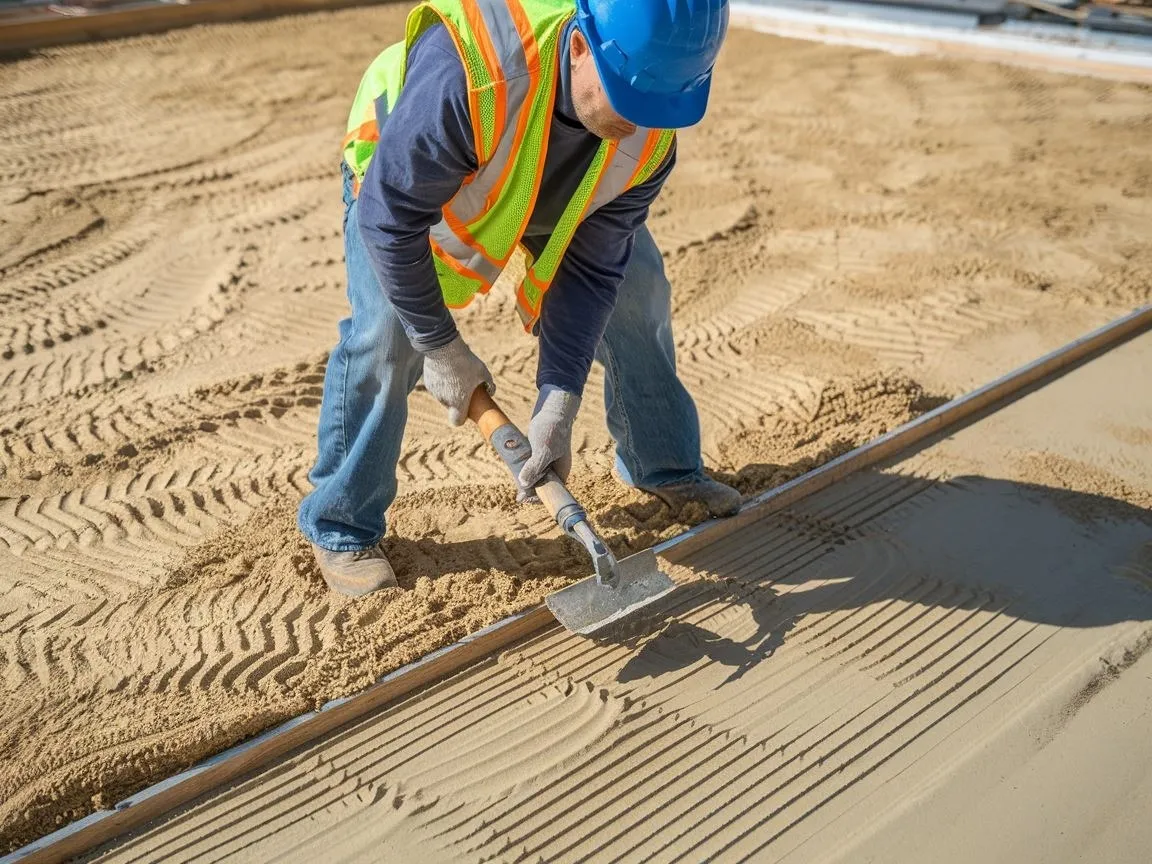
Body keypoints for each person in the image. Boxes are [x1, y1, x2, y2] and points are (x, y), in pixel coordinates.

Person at [299, 0, 739, 596]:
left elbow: (592, 273)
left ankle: (666, 466)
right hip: (407, 173)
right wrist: (440, 346)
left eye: (661, 104)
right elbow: (389, 218)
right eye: (631, 99)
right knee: (388, 337)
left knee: (636, 289)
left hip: (552, 189)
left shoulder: (652, 118)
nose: (642, 122)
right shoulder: (472, 74)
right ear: (580, 48)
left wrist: (557, 399)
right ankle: (341, 524)